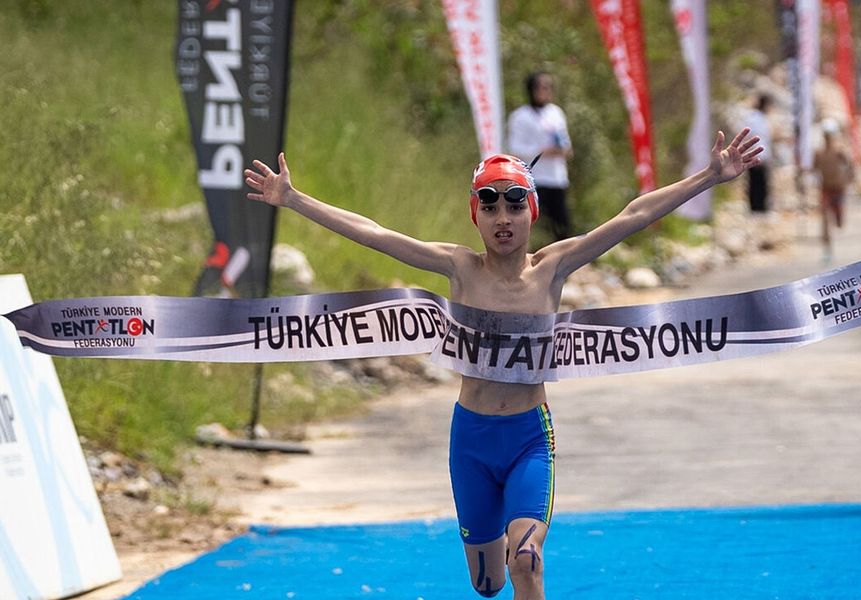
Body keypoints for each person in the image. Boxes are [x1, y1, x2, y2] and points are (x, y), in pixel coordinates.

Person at [244, 128, 762, 599]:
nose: (503, 219)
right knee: (488, 582)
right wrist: (293, 200)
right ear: (477, 216)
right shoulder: (459, 267)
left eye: (515, 206)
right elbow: (375, 233)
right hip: (470, 439)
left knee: (526, 563)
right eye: (490, 208)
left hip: (528, 439)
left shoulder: (551, 270)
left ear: (531, 212)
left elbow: (633, 215)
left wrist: (710, 176)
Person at [507, 72, 573, 241]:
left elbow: (565, 142)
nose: (546, 91)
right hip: (535, 178)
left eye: (548, 87)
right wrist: (541, 151)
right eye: (541, 87)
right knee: (535, 224)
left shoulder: (556, 113)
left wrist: (563, 150)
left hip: (557, 177)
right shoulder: (520, 117)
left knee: (561, 225)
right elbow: (515, 147)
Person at [813, 118, 854, 264]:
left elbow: (850, 165)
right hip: (825, 189)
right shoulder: (819, 153)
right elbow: (814, 169)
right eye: (826, 134)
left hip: (839, 189)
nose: (827, 137)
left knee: (839, 222)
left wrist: (849, 179)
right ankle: (827, 249)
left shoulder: (839, 151)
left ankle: (838, 221)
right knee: (824, 218)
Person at [745, 94, 773, 213]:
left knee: (762, 182)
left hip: (763, 154)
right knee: (755, 182)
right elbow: (751, 136)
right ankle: (755, 207)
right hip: (755, 154)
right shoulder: (753, 118)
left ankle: (761, 206)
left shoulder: (762, 118)